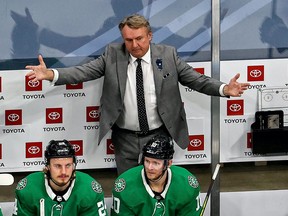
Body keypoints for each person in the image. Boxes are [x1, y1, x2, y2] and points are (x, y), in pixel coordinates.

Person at [26, 14, 250, 175]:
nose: (134, 45)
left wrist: (224, 89)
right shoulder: (113, 54)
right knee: (128, 187)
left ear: (150, 36)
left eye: (139, 38)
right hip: (125, 138)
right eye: (128, 40)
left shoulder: (168, 55)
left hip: (160, 134)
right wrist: (50, 74)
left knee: (159, 185)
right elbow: (83, 71)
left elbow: (196, 80)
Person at [110, 134, 202, 215]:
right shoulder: (124, 186)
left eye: (156, 163)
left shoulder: (186, 184)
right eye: (147, 161)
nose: (150, 167)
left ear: (169, 163)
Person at [12, 139, 108, 216]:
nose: (63, 172)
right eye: (57, 166)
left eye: (68, 165)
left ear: (74, 165)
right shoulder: (28, 188)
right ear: (47, 166)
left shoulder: (89, 190)